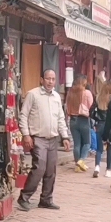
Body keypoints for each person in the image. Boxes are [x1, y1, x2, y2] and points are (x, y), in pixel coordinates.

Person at [17, 69, 70, 211]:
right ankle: (24, 197)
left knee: (50, 170)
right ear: (42, 79)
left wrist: (64, 136)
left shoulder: (57, 97)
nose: (50, 82)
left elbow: (60, 119)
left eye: (53, 79)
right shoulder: (33, 95)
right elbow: (23, 116)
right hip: (38, 138)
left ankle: (46, 199)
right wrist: (26, 135)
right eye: (48, 79)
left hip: (53, 138)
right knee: (39, 167)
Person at [65, 75, 94, 172]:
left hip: (73, 120)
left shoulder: (70, 93)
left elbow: (67, 108)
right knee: (87, 143)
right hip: (83, 120)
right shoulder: (87, 93)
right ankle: (81, 160)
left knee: (77, 144)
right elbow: (91, 106)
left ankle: (77, 165)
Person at [93, 79, 111, 178]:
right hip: (110, 126)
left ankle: (97, 167)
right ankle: (108, 169)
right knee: (110, 148)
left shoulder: (98, 97)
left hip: (100, 124)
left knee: (99, 148)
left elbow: (92, 112)